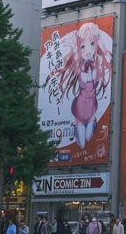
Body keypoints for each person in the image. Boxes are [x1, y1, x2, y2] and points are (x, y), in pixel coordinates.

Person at [47, 22, 112, 152]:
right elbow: (75, 59)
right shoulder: (79, 64)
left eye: (92, 44)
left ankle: (92, 121)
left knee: (89, 137)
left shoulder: (98, 61)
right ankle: (77, 126)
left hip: (92, 107)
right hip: (79, 106)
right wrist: (74, 49)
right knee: (81, 144)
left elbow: (112, 61)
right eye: (83, 46)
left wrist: (103, 47)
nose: (88, 51)